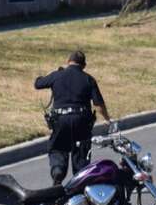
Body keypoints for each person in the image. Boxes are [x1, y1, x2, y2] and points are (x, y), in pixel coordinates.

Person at [34, 50, 111, 185]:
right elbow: (98, 105)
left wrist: (50, 75)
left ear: (68, 62)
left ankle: (58, 170)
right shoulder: (88, 79)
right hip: (81, 121)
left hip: (60, 120)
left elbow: (38, 84)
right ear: (84, 65)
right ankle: (80, 183)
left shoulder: (57, 75)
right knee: (81, 155)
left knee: (58, 148)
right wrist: (108, 120)